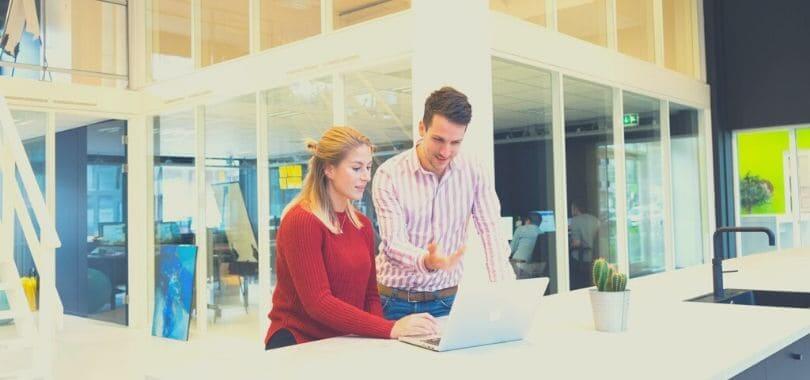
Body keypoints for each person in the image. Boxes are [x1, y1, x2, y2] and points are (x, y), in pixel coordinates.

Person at [264, 127, 438, 350]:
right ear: (329, 169)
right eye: (356, 168)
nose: (366, 176)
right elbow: (318, 303)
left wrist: (381, 340)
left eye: (368, 167)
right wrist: (390, 328)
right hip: (299, 341)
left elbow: (370, 295)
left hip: (344, 339)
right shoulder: (301, 220)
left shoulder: (361, 224)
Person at [373, 86, 514, 321]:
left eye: (455, 142)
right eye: (438, 140)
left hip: (446, 299)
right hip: (393, 301)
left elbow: (491, 231)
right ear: (422, 128)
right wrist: (427, 261)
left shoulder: (473, 170)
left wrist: (505, 293)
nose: (445, 152)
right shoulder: (389, 175)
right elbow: (393, 244)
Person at [568, 201, 600, 289]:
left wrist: (568, 245)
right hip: (594, 257)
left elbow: (576, 243)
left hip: (580, 258)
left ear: (575, 209)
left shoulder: (575, 220)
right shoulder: (595, 220)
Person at [510, 213, 542, 279]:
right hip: (534, 266)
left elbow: (511, 249)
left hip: (518, 263)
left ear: (528, 221)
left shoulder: (520, 229)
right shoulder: (541, 232)